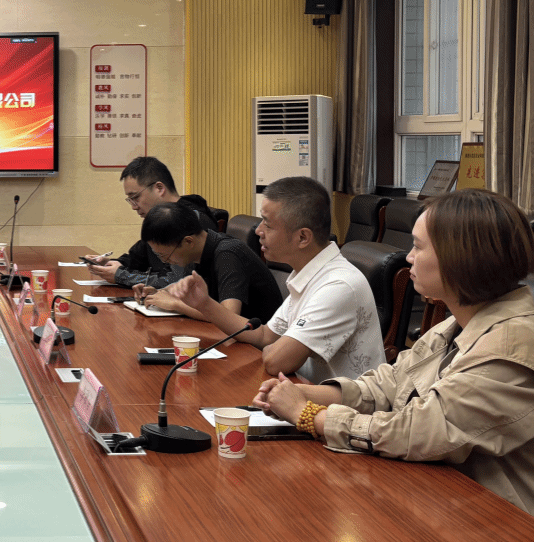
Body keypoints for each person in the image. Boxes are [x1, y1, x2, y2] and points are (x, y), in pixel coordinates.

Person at [258, 189, 534, 514]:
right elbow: (388, 384)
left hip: (502, 523)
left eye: (418, 247)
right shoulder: (458, 322)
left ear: (460, 258)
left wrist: (308, 415)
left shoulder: (512, 343)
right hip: (443, 498)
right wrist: (304, 394)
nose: (409, 257)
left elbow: (418, 432)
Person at [170, 177, 384, 381]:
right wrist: (204, 304)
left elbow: (275, 361)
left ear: (303, 237)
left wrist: (274, 350)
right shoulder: (309, 273)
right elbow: (264, 336)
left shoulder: (338, 286)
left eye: (268, 224)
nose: (258, 231)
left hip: (339, 405)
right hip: (301, 392)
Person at [134, 201, 283, 324]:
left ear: (188, 242)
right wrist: (159, 293)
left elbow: (230, 316)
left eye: (164, 255)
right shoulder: (196, 253)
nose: (165, 261)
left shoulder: (228, 254)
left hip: (256, 344)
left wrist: (176, 305)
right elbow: (187, 290)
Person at [86, 156, 216, 288]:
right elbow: (138, 259)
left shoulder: (190, 220)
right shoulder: (158, 221)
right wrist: (112, 265)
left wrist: (121, 275)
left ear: (159, 188)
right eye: (130, 200)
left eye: (135, 197)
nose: (134, 207)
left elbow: (177, 281)